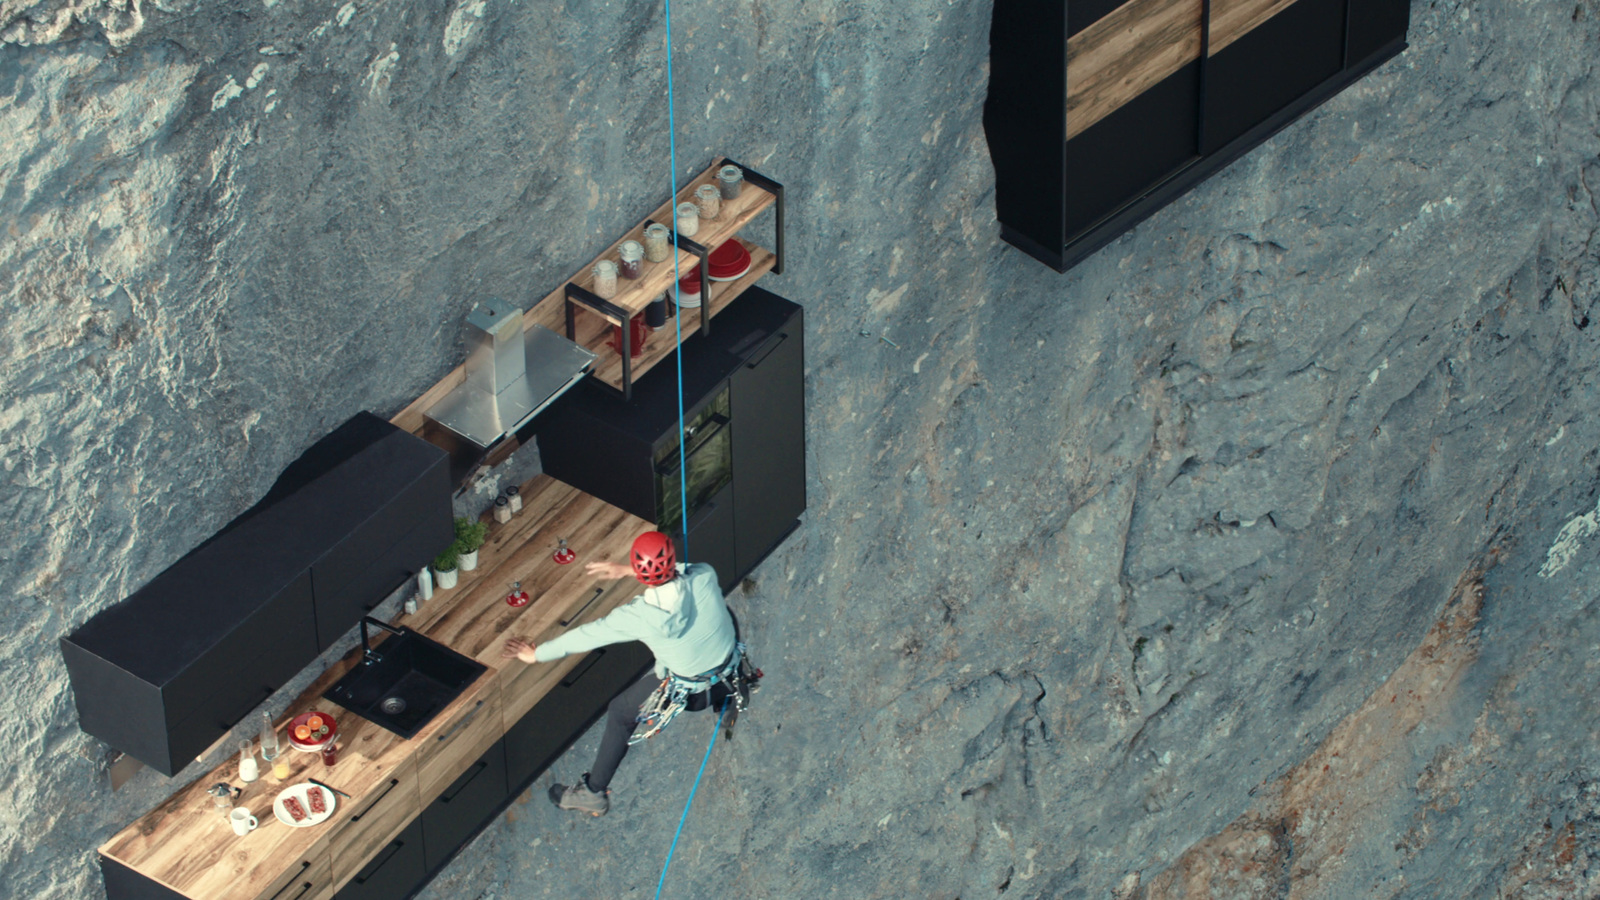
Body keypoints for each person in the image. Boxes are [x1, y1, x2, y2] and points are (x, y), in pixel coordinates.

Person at [501, 530, 739, 817]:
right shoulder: (704, 576)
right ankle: (729, 701)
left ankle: (593, 794)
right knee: (720, 612)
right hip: (729, 672)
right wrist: (629, 571)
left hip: (690, 695)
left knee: (621, 712)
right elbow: (681, 575)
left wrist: (535, 654)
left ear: (641, 572)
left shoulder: (638, 617)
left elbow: (587, 635)